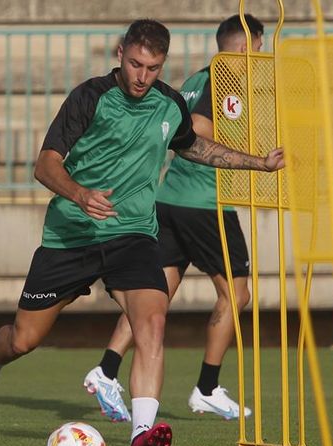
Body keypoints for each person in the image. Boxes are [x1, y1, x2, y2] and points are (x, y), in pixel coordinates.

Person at [0, 19, 284, 446]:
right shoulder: (89, 97)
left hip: (132, 235)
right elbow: (45, 165)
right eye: (135, 64)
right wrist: (79, 193)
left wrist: (258, 164)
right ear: (120, 52)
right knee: (23, 339)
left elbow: (195, 148)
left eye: (153, 67)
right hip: (71, 235)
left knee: (153, 320)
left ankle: (142, 434)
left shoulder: (168, 104)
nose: (142, 76)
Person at [83, 14, 265, 423]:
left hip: (169, 199)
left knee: (153, 293)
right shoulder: (227, 80)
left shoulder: (200, 77)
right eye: (258, 48)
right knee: (237, 296)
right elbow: (197, 127)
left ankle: (107, 369)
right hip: (205, 200)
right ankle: (207, 388)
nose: (260, 56)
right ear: (243, 48)